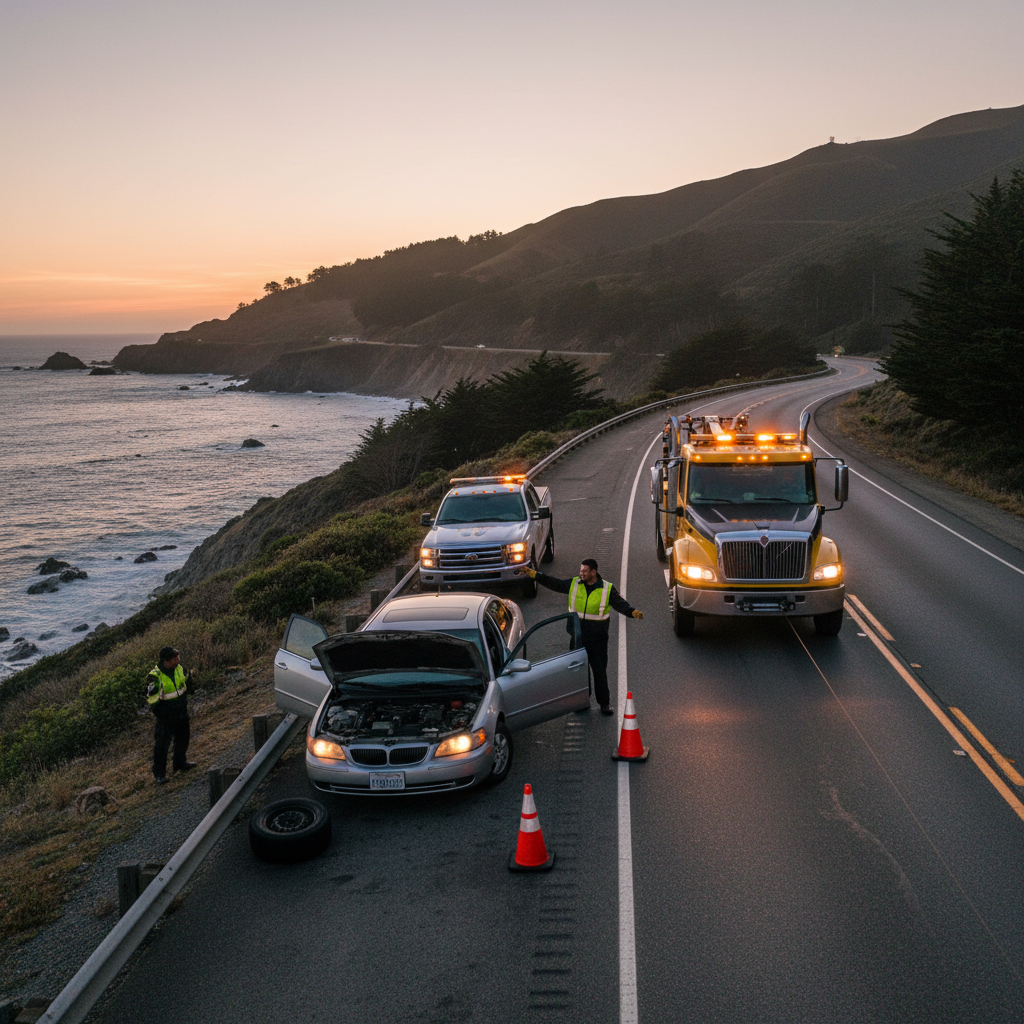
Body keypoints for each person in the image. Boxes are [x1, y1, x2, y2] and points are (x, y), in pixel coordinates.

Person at [525, 558, 643, 715]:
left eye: (585, 571)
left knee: (599, 672)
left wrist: (631, 612)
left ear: (594, 572)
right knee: (579, 672)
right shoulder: (574, 584)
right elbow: (555, 583)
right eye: (581, 570)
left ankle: (604, 703)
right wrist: (535, 575)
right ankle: (582, 702)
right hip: (578, 636)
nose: (581, 573)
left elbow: (619, 603)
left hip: (598, 639)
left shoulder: (607, 588)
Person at [147, 645, 196, 784]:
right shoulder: (155, 676)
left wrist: (190, 686)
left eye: (178, 658)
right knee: (162, 745)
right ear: (165, 661)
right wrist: (164, 715)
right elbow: (152, 700)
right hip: (166, 716)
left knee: (183, 738)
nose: (178, 661)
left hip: (181, 710)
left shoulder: (179, 668)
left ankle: (180, 763)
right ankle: (159, 774)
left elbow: (185, 682)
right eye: (175, 659)